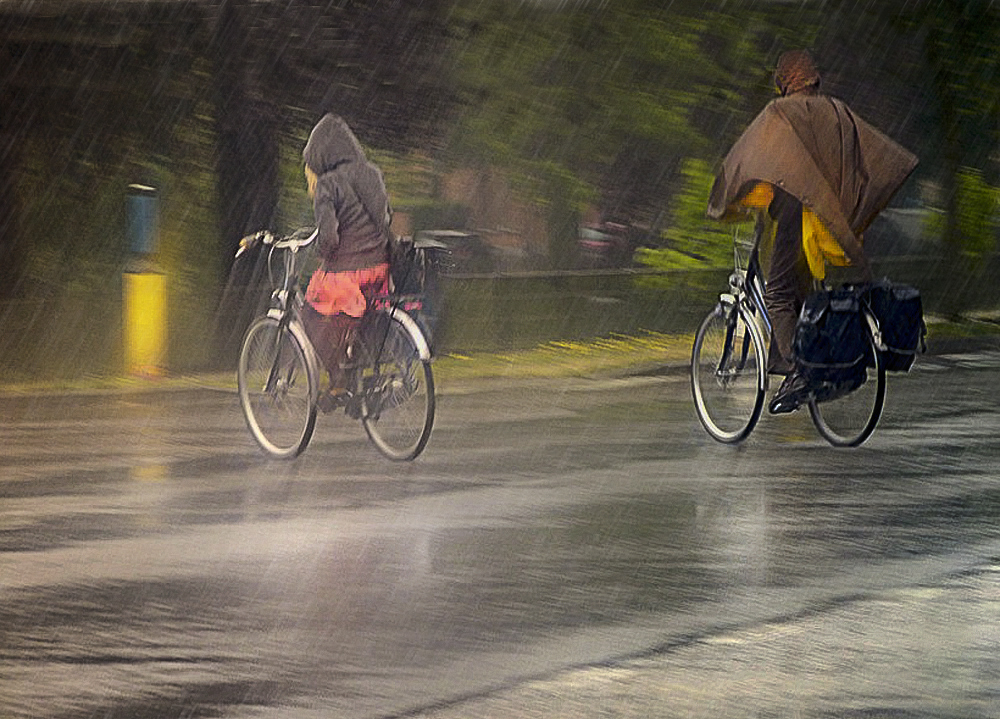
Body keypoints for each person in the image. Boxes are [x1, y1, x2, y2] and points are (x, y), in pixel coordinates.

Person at [707, 49, 918, 414]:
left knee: (777, 294)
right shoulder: (836, 112)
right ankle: (818, 359)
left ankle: (796, 367)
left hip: (792, 212)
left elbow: (751, 158)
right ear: (813, 78)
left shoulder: (781, 114)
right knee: (806, 292)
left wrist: (731, 193)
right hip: (825, 216)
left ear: (784, 81)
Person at [300, 114, 392, 407]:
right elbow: (383, 219)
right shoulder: (372, 173)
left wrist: (321, 257)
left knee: (310, 314)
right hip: (378, 268)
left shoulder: (328, 184)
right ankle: (357, 363)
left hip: (348, 273)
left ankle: (338, 382)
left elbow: (328, 239)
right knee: (353, 316)